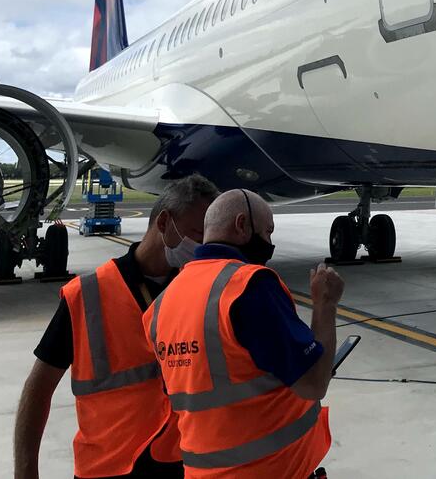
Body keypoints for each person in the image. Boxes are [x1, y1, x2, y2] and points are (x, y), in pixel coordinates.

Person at [14, 174, 220, 479]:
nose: (202, 246)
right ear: (164, 222)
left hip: (182, 465)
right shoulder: (86, 294)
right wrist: (26, 470)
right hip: (108, 467)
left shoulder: (201, 290)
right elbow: (39, 388)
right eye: (196, 233)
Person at [142, 189, 344, 478]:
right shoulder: (248, 286)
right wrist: (325, 305)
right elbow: (313, 384)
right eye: (267, 231)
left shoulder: (160, 306)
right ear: (241, 225)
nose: (269, 242)